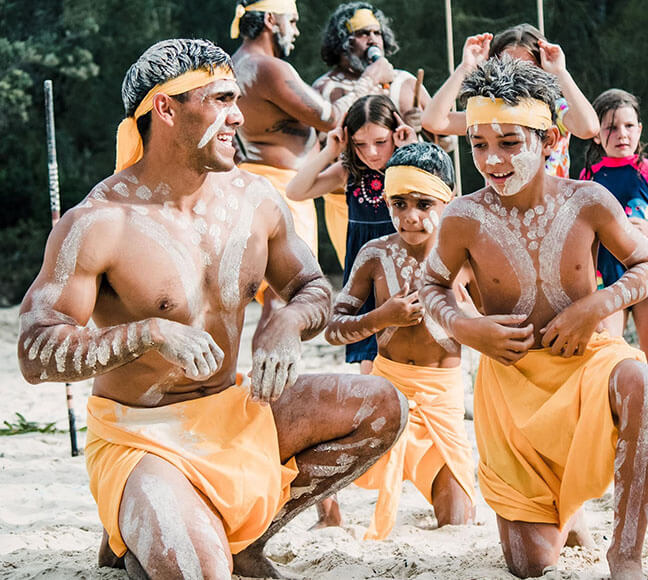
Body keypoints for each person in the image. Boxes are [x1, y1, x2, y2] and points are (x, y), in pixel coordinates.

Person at [16, 38, 408, 580]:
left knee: (382, 403)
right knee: (199, 572)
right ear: (166, 108)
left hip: (235, 411)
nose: (238, 117)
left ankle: (248, 539)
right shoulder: (99, 222)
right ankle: (146, 523)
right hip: (143, 437)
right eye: (222, 99)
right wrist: (147, 333)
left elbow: (313, 286)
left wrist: (289, 322)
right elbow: (35, 352)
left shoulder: (256, 200)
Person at [421, 55, 648, 579]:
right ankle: (562, 507)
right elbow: (431, 287)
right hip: (511, 390)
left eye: (510, 142)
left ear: (552, 140)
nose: (492, 160)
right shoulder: (463, 216)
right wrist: (468, 328)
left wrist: (596, 307)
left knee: (642, 380)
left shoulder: (588, 200)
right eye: (479, 145)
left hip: (585, 364)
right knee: (530, 566)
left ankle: (626, 556)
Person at [322, 141, 476, 539]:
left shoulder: (468, 257)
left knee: (459, 521)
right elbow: (335, 328)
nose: (410, 217)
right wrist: (381, 317)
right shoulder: (375, 254)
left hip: (442, 399)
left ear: (449, 202)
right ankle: (328, 513)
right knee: (315, 436)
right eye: (399, 204)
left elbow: (500, 324)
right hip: (387, 392)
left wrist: (467, 317)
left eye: (424, 205)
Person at [229, 0, 386, 337]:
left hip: (253, 182)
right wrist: (368, 82)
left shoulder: (234, 65)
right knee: (285, 299)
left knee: (270, 299)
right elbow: (329, 117)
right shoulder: (269, 67)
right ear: (272, 19)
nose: (297, 31)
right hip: (282, 191)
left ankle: (262, 386)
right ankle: (271, 390)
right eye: (293, 21)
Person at [581, 88, 648, 449]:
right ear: (597, 133)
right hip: (606, 281)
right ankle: (617, 430)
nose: (621, 134)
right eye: (611, 127)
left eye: (629, 126)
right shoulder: (587, 176)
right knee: (607, 357)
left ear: (640, 130)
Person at [313, 2, 455, 268]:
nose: (372, 39)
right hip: (351, 199)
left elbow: (446, 142)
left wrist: (421, 128)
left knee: (415, 269)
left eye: (376, 33)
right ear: (342, 41)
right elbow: (323, 140)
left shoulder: (405, 81)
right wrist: (369, 79)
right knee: (363, 270)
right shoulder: (327, 87)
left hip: (409, 195)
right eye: (363, 33)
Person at [286, 95, 417, 373]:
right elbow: (295, 191)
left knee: (409, 347)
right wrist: (329, 151)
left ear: (397, 133)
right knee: (369, 353)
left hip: (405, 269)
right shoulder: (349, 172)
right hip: (365, 274)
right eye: (360, 144)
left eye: (381, 142)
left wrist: (412, 149)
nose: (371, 152)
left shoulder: (411, 169)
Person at [422, 23, 599, 177]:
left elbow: (588, 128)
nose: (516, 76)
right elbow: (434, 121)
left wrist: (561, 72)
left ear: (543, 69)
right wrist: (466, 67)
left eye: (528, 69)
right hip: (501, 209)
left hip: (551, 208)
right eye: (507, 65)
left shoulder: (554, 109)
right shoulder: (491, 112)